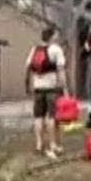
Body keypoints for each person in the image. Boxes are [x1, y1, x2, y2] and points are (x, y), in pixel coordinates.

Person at [25, 26, 66, 157]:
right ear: (52, 36)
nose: (57, 37)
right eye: (56, 35)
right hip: (52, 88)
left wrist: (27, 84)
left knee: (38, 117)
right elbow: (60, 70)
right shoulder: (56, 50)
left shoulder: (34, 49)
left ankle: (39, 144)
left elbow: (27, 67)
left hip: (37, 88)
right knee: (52, 116)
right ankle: (52, 144)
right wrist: (64, 88)